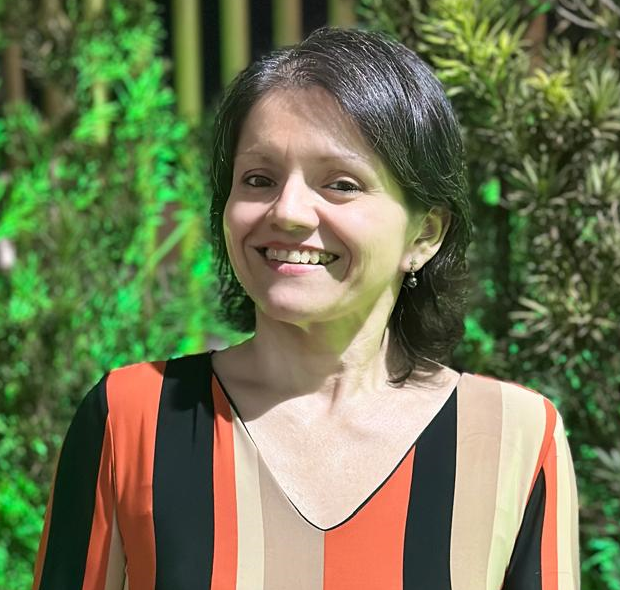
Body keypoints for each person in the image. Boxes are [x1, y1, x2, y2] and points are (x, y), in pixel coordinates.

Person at [32, 26, 579, 590]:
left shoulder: (515, 437)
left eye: (340, 183)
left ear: (425, 234)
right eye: (258, 179)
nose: (288, 211)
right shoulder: (131, 419)